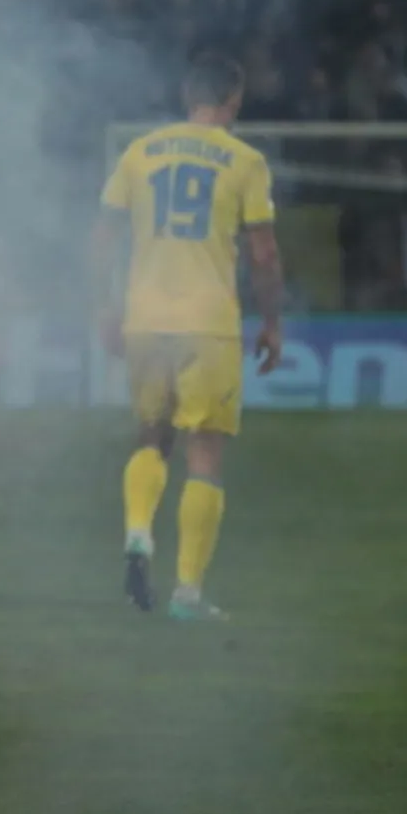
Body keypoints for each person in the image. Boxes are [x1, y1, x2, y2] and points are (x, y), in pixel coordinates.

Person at [91, 52, 283, 621]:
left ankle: (136, 533)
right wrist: (272, 321)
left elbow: (102, 239)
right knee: (203, 452)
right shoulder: (245, 161)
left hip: (145, 315)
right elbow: (263, 251)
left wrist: (105, 306)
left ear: (185, 96)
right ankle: (187, 595)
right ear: (234, 102)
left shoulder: (138, 152)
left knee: (151, 436)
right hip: (208, 321)